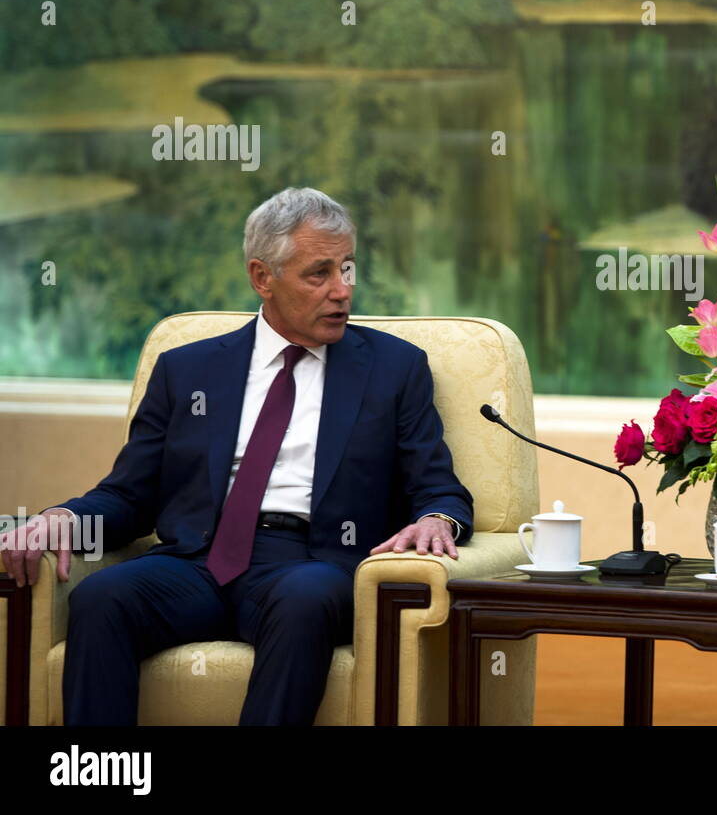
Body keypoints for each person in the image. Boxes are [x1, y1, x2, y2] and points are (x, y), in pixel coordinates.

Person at [0, 187, 474, 725]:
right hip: (197, 562)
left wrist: (438, 520)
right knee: (103, 597)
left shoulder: (394, 369)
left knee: (305, 597)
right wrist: (62, 518)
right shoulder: (188, 370)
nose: (342, 291)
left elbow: (439, 487)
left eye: (348, 268)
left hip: (311, 563)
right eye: (319, 273)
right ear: (262, 277)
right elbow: (130, 494)